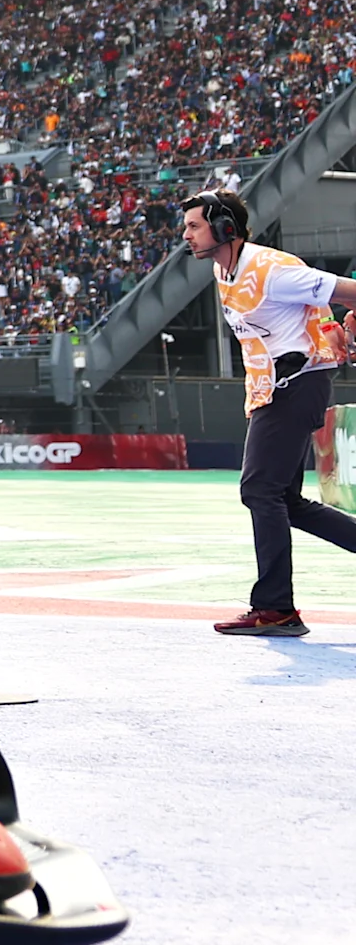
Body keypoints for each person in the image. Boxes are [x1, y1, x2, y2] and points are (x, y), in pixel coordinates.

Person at [181, 186, 356, 637]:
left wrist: (349, 322)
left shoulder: (272, 269)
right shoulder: (225, 272)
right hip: (272, 391)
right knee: (285, 501)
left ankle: (276, 608)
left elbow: (349, 292)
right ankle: (277, 606)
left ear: (224, 228)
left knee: (259, 490)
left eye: (194, 226)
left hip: (295, 386)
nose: (186, 235)